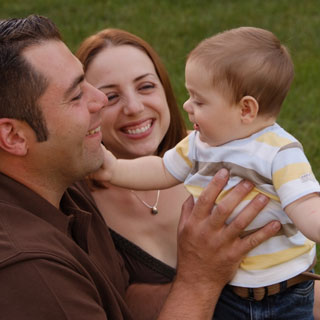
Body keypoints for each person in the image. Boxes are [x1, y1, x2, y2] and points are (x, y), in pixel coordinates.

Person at [0, 15, 281, 320]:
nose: (100, 101)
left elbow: (121, 296)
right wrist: (200, 277)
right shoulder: (31, 272)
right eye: (78, 94)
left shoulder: (62, 180)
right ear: (14, 136)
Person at [96, 26, 320, 318]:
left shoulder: (279, 152)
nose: (187, 105)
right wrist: (114, 169)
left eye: (199, 101)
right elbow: (162, 168)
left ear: (246, 109)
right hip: (228, 292)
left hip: (286, 295)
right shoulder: (199, 144)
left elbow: (307, 207)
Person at [76, 28, 189, 283]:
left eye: (146, 86)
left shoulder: (217, 154)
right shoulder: (76, 203)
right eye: (111, 97)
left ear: (165, 89)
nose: (134, 108)